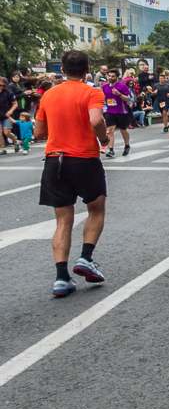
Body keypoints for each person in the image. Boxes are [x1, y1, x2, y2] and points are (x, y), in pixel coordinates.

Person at [33, 50, 109, 296]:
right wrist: (103, 137)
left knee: (63, 220)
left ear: (62, 70)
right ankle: (86, 257)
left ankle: (61, 277)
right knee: (95, 209)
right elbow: (96, 120)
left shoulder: (49, 95)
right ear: (88, 68)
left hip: (55, 160)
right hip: (84, 158)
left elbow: (38, 133)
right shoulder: (92, 92)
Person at [101, 69, 132, 157]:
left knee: (123, 130)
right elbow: (103, 97)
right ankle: (111, 150)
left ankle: (127, 145)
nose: (110, 78)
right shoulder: (105, 86)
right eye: (109, 76)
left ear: (117, 77)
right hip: (110, 111)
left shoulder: (122, 86)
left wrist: (119, 94)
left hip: (121, 111)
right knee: (110, 130)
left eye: (113, 76)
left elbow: (128, 99)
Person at [0, 76, 18, 154]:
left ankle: (15, 141)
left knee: (6, 132)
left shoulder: (8, 93)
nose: (1, 87)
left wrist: (10, 111)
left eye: (3, 86)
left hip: (6, 115)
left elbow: (15, 104)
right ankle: (3, 148)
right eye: (0, 85)